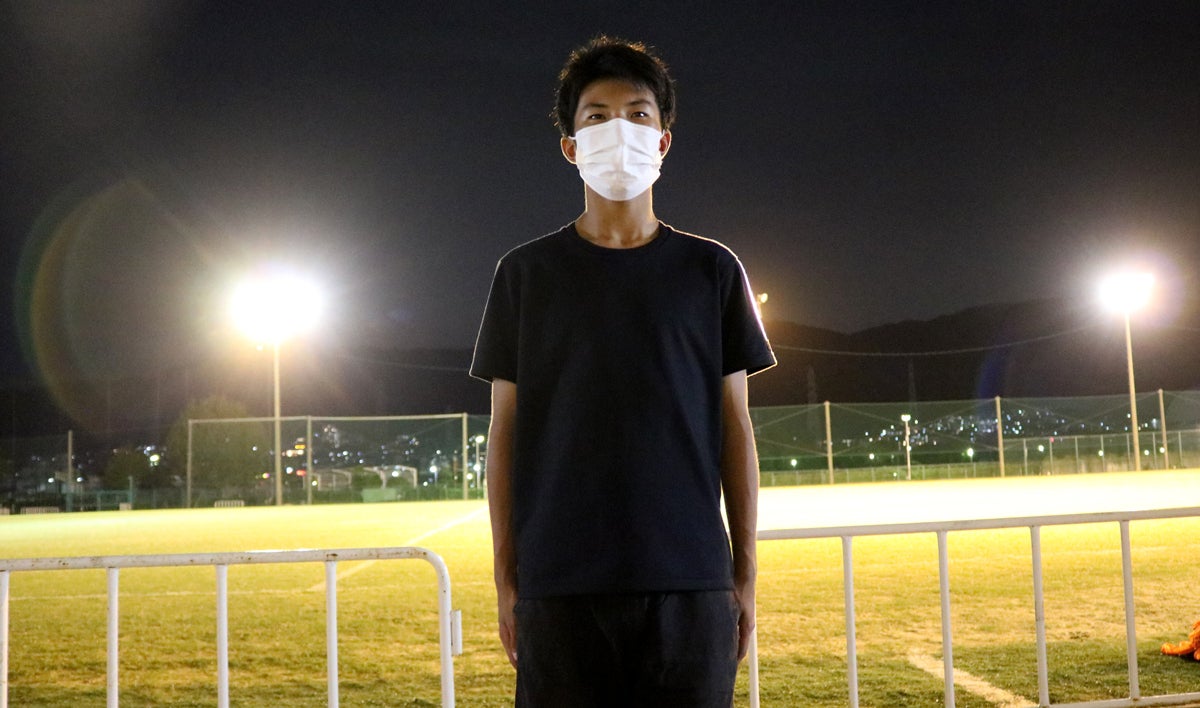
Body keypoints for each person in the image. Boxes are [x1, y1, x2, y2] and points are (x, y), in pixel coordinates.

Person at [469, 36, 776, 707]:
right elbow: (504, 435)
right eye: (597, 116)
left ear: (663, 141)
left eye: (638, 114)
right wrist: (505, 575)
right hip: (559, 587)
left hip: (691, 584)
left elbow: (735, 430)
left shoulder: (712, 270)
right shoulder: (525, 275)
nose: (619, 130)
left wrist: (744, 573)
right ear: (570, 146)